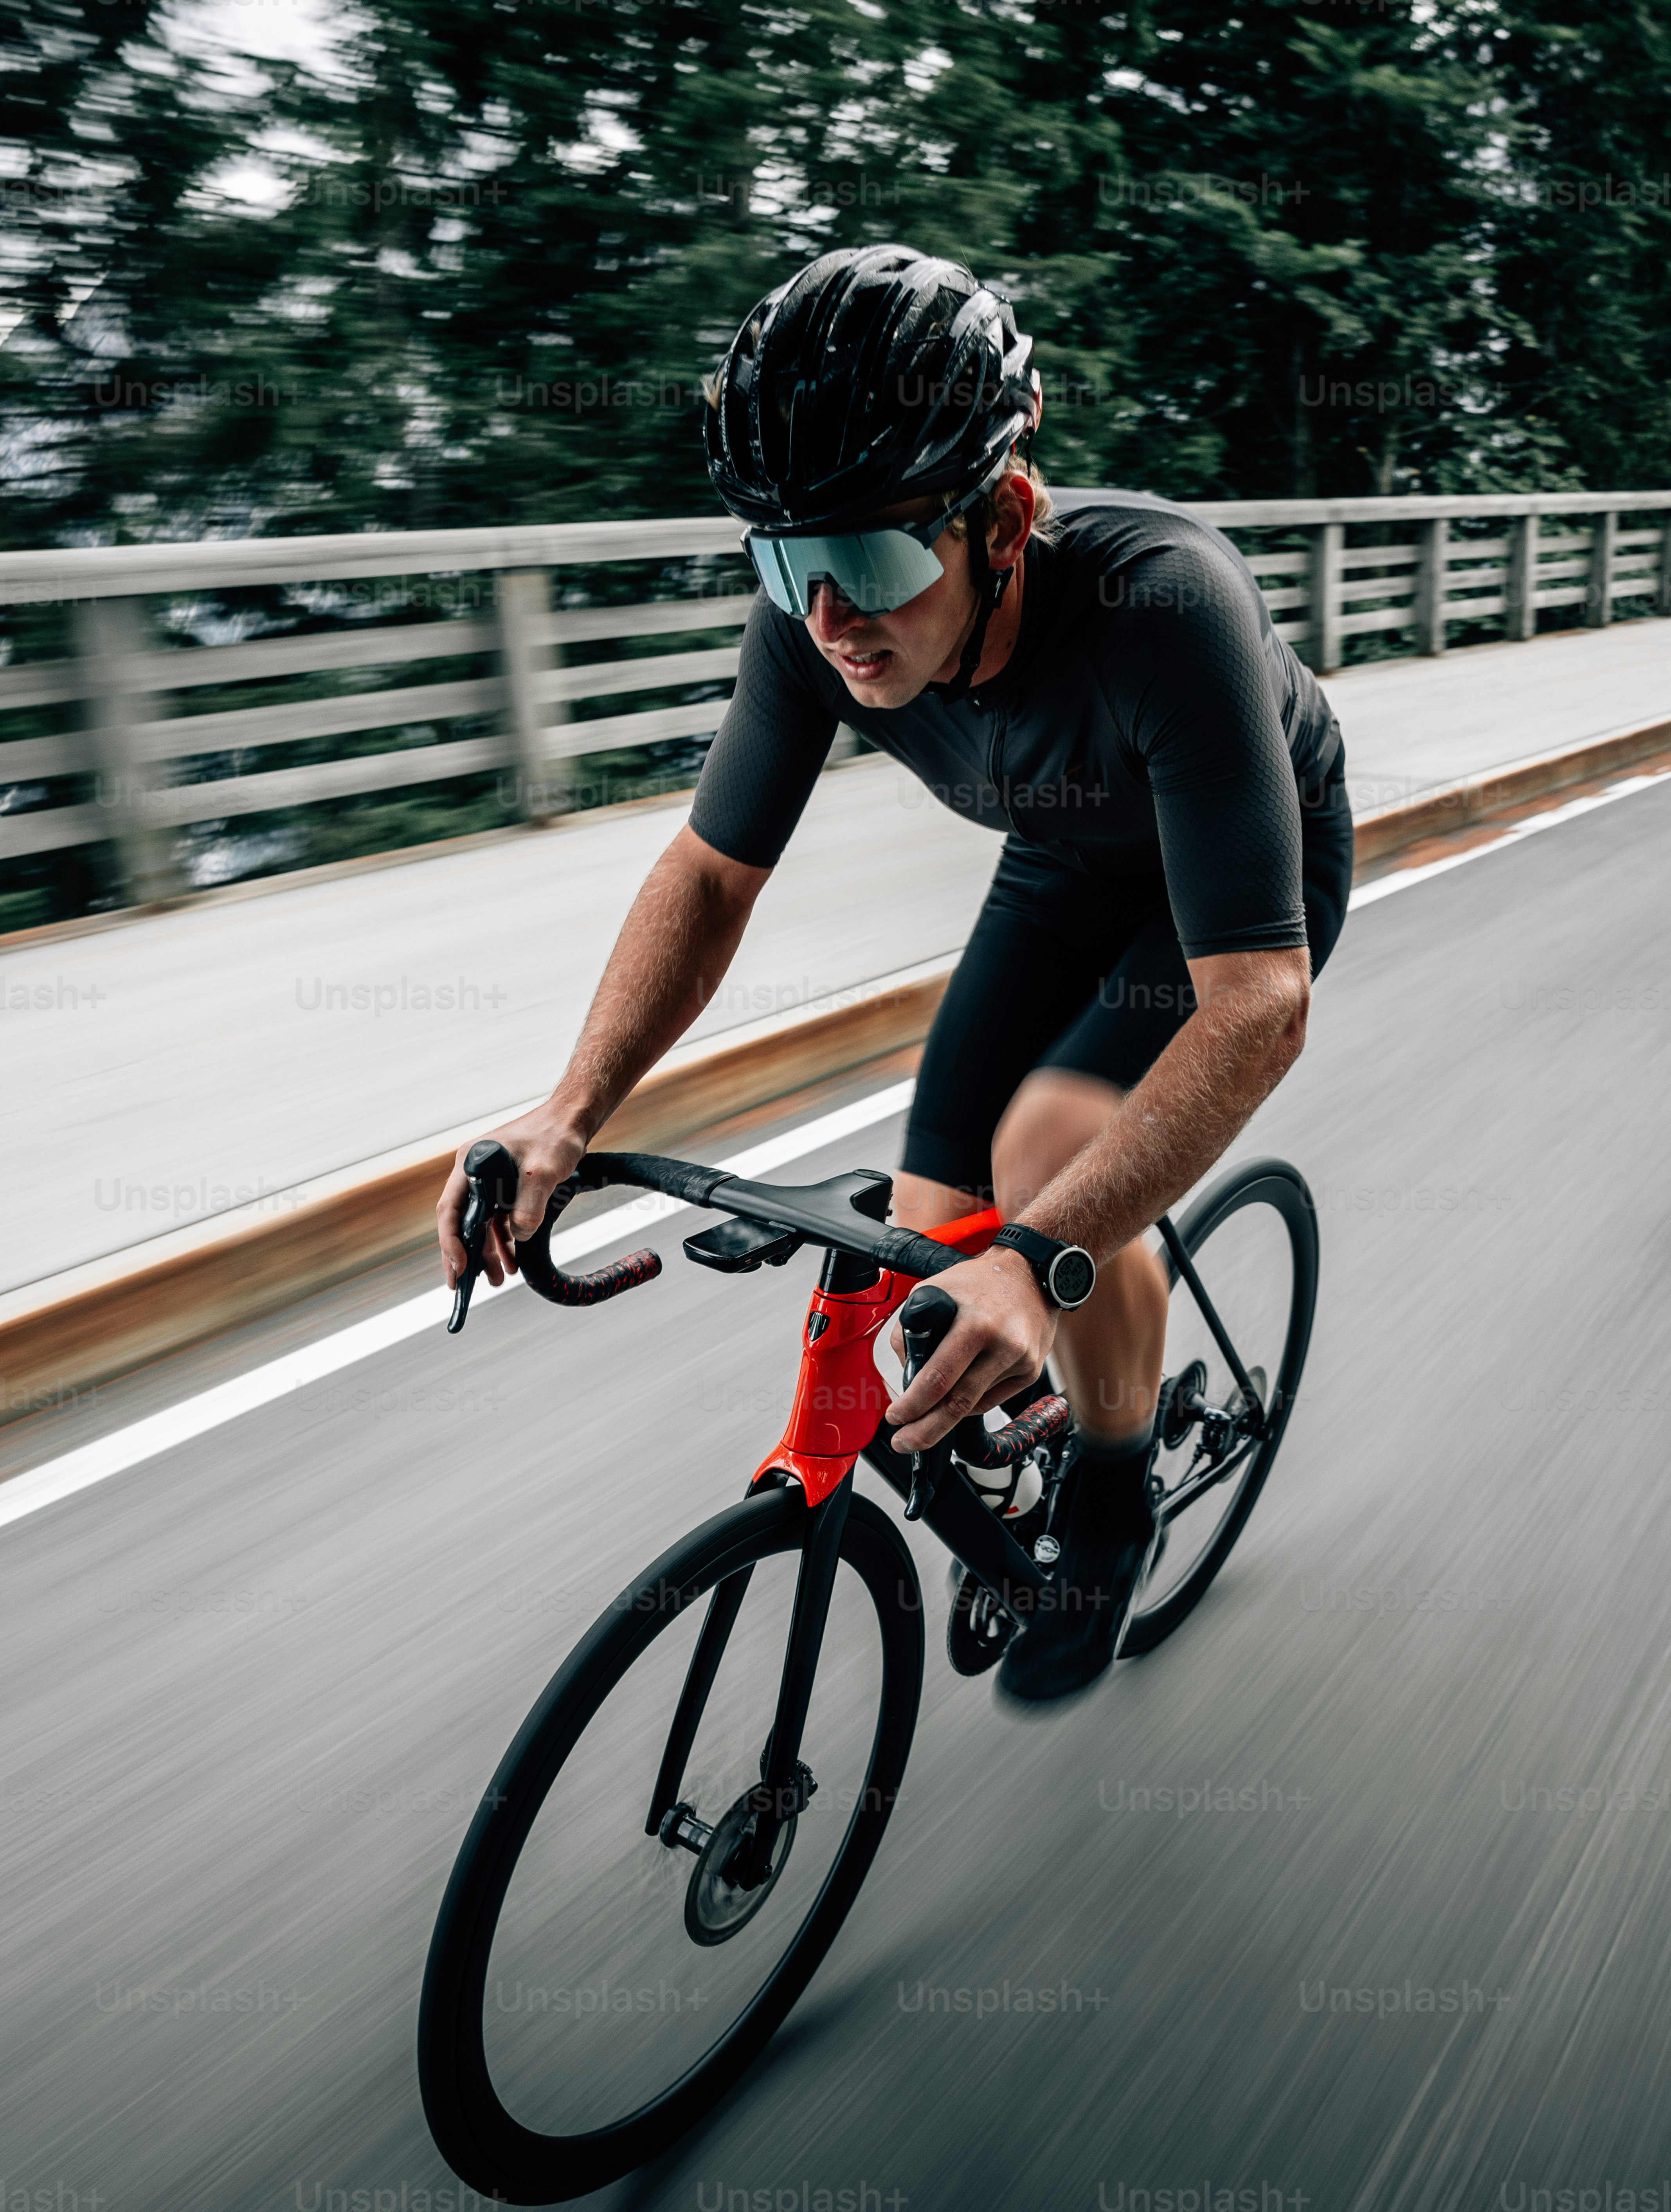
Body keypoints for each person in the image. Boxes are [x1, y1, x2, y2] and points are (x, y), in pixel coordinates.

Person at [438, 243, 1351, 1699]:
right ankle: (1032, 1400)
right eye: (783, 564)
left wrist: (1047, 1259)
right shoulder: (820, 626)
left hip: (1240, 887)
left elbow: (1260, 1003)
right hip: (1064, 862)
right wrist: (568, 1110)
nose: (829, 620)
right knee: (933, 1224)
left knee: (1052, 1160)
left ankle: (1111, 1500)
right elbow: (708, 875)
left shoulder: (1167, 609)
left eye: (862, 561)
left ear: (1006, 516)